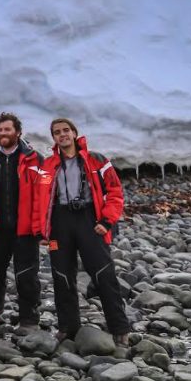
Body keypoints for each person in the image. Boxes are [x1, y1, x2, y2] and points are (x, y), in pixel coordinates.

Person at [41, 118, 131, 346]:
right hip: (60, 223)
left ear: (74, 133)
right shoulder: (48, 165)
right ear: (54, 138)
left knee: (103, 273)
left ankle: (119, 328)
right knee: (61, 276)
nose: (62, 135)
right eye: (57, 132)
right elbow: (38, 199)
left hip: (89, 220)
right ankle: (68, 327)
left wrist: (107, 221)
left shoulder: (96, 160)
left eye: (66, 131)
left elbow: (115, 192)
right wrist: (41, 229)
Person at [0, 112, 49, 331]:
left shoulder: (35, 158)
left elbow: (44, 193)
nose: (3, 134)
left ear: (18, 132)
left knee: (26, 275)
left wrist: (41, 226)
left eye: (7, 129)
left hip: (25, 228)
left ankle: (29, 318)